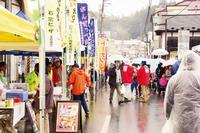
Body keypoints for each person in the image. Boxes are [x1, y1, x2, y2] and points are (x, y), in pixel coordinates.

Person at [164, 51, 200, 133]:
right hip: (197, 120)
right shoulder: (199, 77)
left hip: (179, 120)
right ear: (196, 62)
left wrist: (168, 115)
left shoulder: (174, 79)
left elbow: (168, 101)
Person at [33, 60, 54, 133]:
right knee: (45, 119)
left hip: (43, 104)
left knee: (40, 119)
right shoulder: (46, 78)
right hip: (44, 104)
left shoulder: (46, 78)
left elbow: (45, 91)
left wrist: (37, 88)